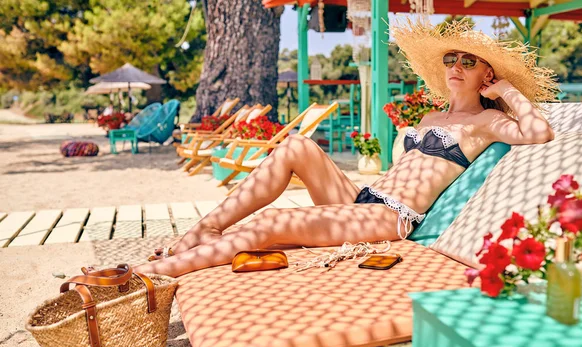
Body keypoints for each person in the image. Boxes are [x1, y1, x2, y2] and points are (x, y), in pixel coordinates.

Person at [134, 18, 558, 278]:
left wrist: (506, 89)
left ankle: (155, 271)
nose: (456, 67)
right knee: (296, 146)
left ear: (486, 72)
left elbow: (538, 132)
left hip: (389, 216)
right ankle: (205, 229)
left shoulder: (484, 122)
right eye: (451, 60)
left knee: (272, 223)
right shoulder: (432, 119)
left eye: (469, 62)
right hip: (362, 199)